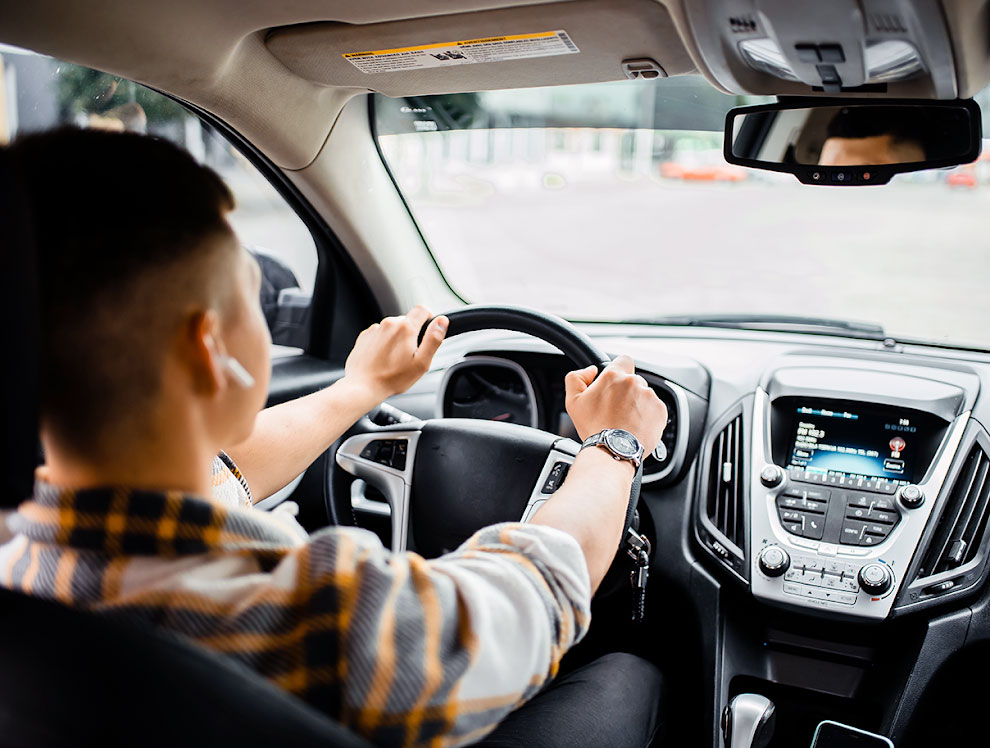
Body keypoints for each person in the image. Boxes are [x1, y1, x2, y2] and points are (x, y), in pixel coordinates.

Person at [0, 127, 668, 748]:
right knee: (630, 675)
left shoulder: (28, 566)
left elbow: (224, 470)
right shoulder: (316, 616)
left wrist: (360, 388)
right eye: (254, 304)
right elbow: (533, 595)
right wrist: (613, 446)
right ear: (209, 350)